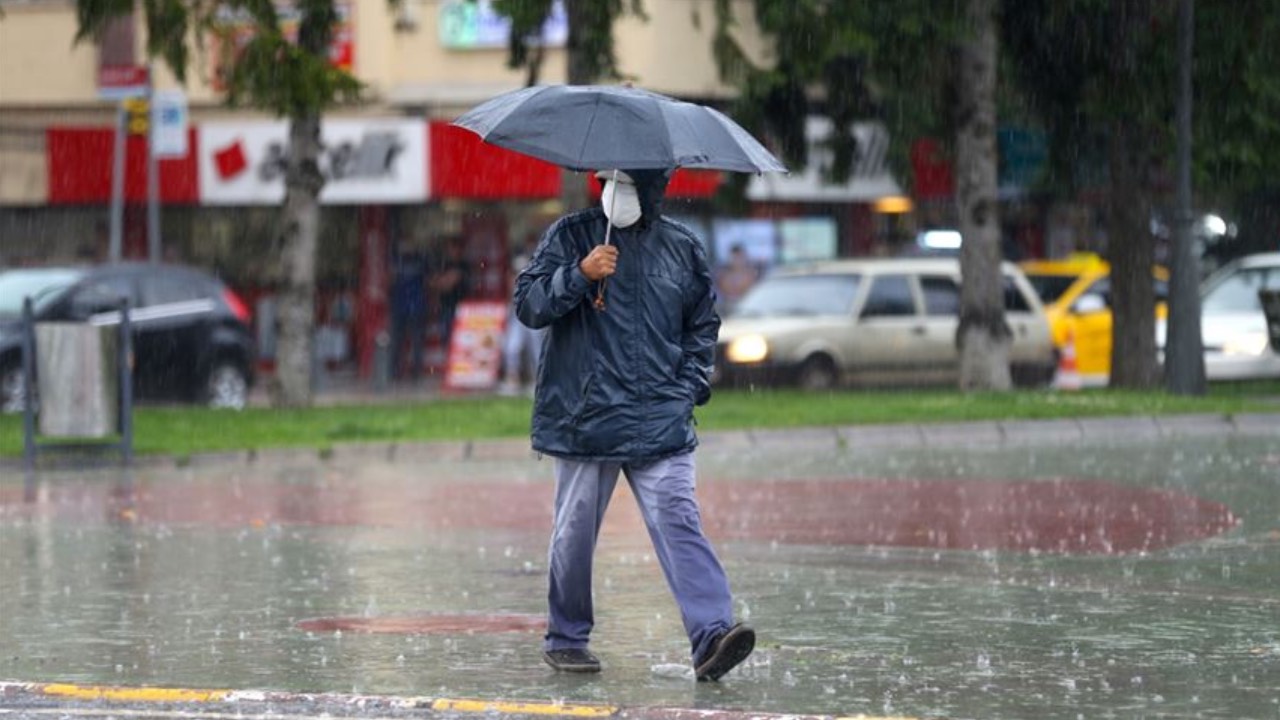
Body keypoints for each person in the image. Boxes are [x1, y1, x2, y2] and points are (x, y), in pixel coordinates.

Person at [513, 168, 755, 682]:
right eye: (607, 181)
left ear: (654, 189)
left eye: (627, 184)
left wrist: (688, 387)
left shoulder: (681, 248)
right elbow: (529, 305)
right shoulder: (570, 236)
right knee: (573, 533)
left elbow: (701, 325)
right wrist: (579, 274)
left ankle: (712, 634)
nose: (614, 193)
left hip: (660, 418)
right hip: (586, 418)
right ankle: (567, 637)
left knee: (679, 519)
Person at [498, 235, 546, 396]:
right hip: (517, 316)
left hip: (533, 315)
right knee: (512, 347)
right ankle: (513, 380)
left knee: (537, 350)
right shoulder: (514, 275)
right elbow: (510, 294)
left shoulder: (538, 269)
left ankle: (538, 383)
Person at [388, 248, 429, 380]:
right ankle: (410, 372)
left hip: (406, 307)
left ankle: (399, 372)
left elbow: (390, 280)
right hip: (410, 307)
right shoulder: (419, 263)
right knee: (410, 341)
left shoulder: (398, 263)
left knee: (401, 341)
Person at [430, 236, 470, 359]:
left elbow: (448, 283)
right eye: (449, 248)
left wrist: (443, 281)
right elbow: (433, 282)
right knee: (445, 334)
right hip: (445, 304)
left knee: (461, 336)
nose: (451, 251)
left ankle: (459, 361)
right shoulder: (443, 264)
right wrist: (443, 281)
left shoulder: (463, 265)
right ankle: (449, 360)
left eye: (453, 248)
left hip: (460, 306)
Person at [715, 243, 758, 314]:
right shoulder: (724, 275)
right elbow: (723, 292)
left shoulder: (751, 274)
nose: (737, 261)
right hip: (728, 307)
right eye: (735, 257)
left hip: (748, 306)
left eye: (740, 257)